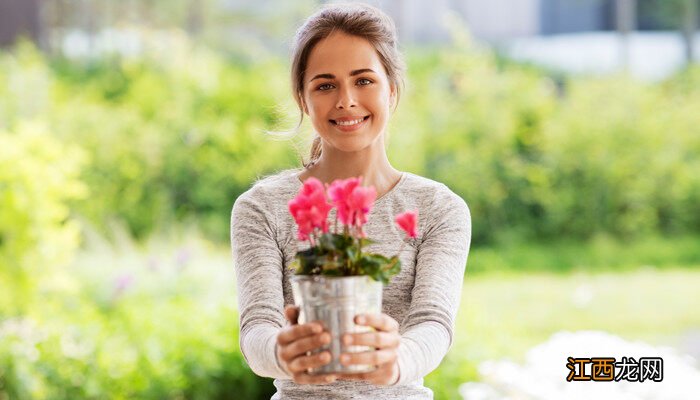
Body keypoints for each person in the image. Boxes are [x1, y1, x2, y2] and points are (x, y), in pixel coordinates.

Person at [231, 3, 471, 399]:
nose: (346, 100)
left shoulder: (438, 209)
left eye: (363, 81)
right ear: (303, 100)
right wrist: (281, 351)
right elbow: (257, 327)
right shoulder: (262, 208)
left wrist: (396, 360)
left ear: (391, 91)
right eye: (325, 85)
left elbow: (434, 324)